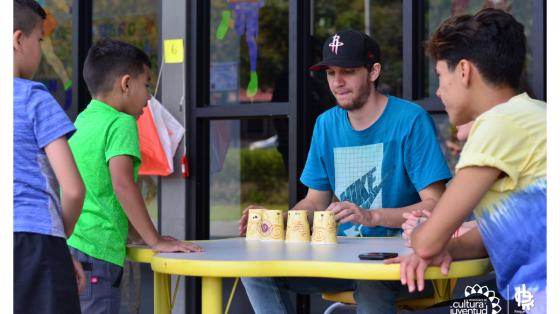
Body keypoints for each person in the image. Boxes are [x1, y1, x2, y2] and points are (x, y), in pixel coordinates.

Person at [238, 30, 452, 314]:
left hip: (402, 259)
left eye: (348, 72)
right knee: (255, 270)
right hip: (341, 256)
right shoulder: (326, 124)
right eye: (330, 73)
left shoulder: (411, 120)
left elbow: (435, 206)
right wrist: (276, 220)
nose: (337, 82)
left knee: (371, 282)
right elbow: (315, 201)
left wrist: (372, 216)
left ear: (373, 71)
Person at [386, 8, 546, 313]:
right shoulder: (534, 113)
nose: (438, 92)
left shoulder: (498, 123)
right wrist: (449, 247)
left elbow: (426, 242)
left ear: (463, 71)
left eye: (440, 77)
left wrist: (423, 232)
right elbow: (491, 234)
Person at [66, 39, 203, 313]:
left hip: (75, 246)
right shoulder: (122, 122)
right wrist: (155, 239)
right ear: (126, 83)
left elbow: (98, 188)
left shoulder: (83, 120)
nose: (150, 97)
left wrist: (136, 233)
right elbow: (122, 184)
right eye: (147, 85)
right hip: (99, 252)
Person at [13, 0, 86, 313]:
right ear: (18, 40)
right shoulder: (34, 98)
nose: (40, 50)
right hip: (35, 244)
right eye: (39, 40)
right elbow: (73, 189)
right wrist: (59, 239)